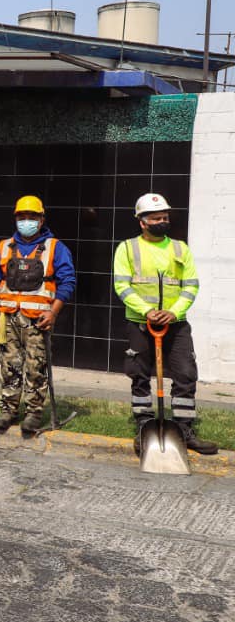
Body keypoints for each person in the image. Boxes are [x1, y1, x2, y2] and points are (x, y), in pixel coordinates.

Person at [114, 193, 217, 455]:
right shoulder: (127, 248)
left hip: (176, 324)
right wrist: (147, 311)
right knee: (139, 375)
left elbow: (191, 286)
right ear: (142, 222)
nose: (162, 221)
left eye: (165, 217)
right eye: (156, 217)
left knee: (185, 374)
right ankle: (144, 426)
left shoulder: (180, 249)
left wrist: (173, 312)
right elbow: (121, 285)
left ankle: (183, 429)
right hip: (139, 323)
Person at [0, 195, 76, 435]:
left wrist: (53, 313)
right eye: (22, 217)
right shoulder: (4, 247)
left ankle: (34, 412)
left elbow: (67, 282)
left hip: (38, 321)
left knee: (36, 367)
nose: (27, 221)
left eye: (32, 217)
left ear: (41, 219)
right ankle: (8, 409)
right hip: (7, 319)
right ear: (16, 218)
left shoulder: (56, 248)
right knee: (9, 366)